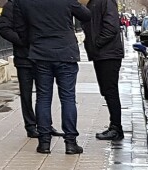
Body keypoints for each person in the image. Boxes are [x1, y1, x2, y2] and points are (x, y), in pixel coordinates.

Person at [12, 0, 91, 154]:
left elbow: (20, 29)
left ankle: (44, 142)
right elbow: (86, 15)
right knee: (68, 98)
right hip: (65, 53)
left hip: (40, 54)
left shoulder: (22, 2)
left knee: (43, 97)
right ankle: (70, 142)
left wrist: (35, 41)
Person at [0, 0, 60, 138]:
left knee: (44, 93)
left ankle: (45, 125)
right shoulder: (12, 4)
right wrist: (22, 41)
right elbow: (4, 28)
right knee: (26, 94)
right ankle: (30, 126)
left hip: (41, 55)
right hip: (23, 57)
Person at [85, 0, 125, 140]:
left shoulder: (105, 1)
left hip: (108, 54)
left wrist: (96, 44)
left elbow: (111, 27)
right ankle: (114, 126)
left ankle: (116, 128)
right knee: (107, 91)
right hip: (102, 54)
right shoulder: (93, 2)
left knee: (110, 90)